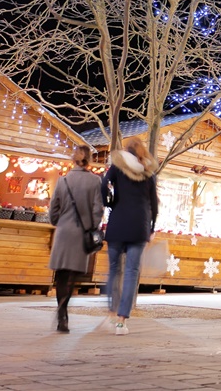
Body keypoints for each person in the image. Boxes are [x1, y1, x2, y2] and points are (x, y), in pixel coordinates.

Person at [101, 137, 158, 335]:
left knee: (114, 269)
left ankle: (111, 312)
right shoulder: (149, 171)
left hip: (118, 223)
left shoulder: (117, 167)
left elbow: (104, 185)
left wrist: (110, 204)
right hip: (139, 225)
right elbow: (154, 203)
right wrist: (152, 226)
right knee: (132, 272)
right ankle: (121, 321)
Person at [48, 144, 104, 333]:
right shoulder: (95, 182)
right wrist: (92, 226)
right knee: (73, 275)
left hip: (64, 231)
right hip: (81, 233)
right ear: (89, 159)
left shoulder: (63, 181)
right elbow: (98, 209)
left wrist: (58, 221)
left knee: (62, 274)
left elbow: (53, 208)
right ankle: (64, 309)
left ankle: (62, 313)